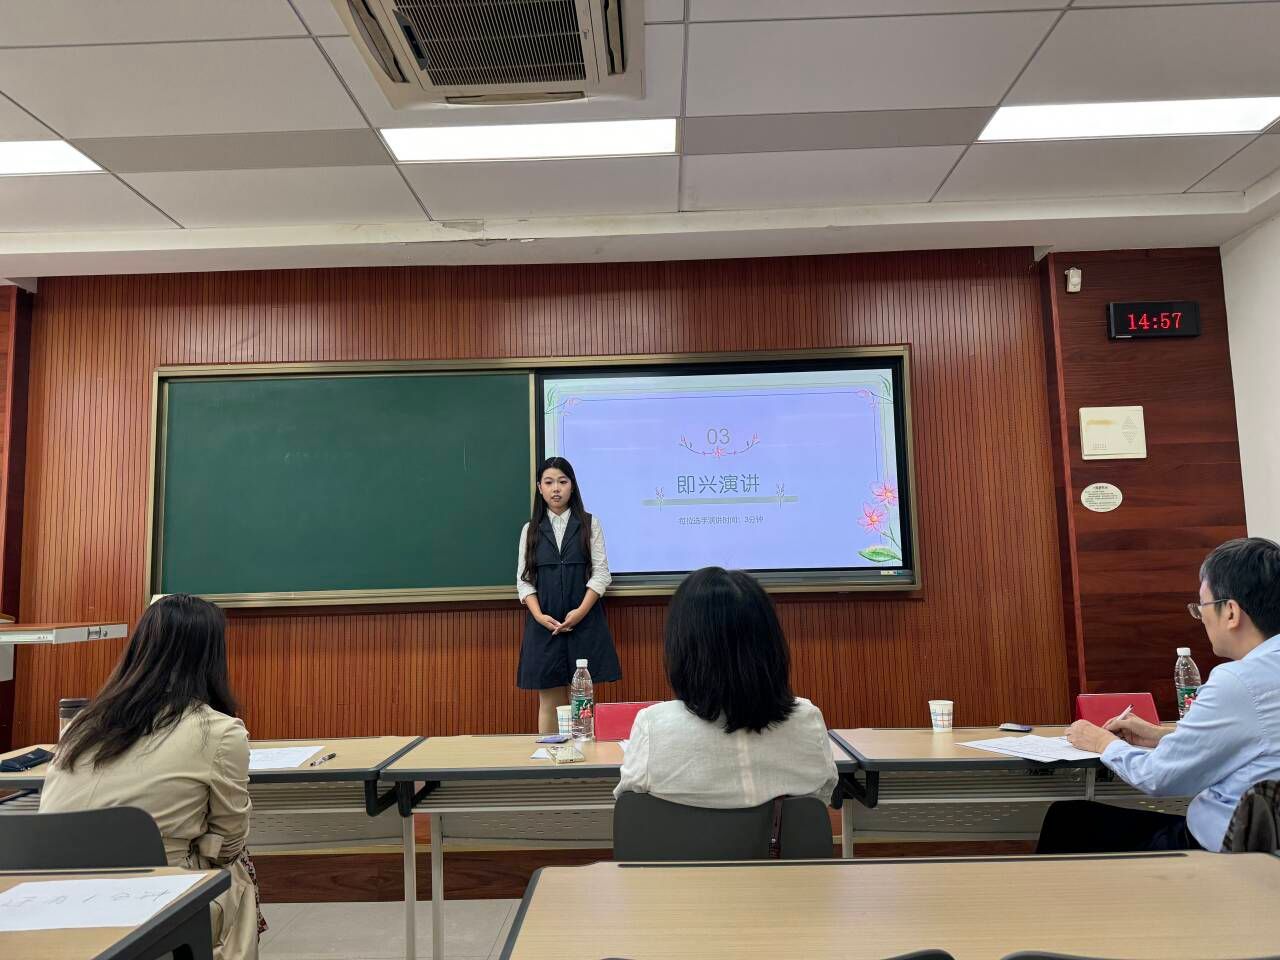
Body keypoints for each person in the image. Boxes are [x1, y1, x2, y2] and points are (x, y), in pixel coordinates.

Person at [41, 594, 259, 960]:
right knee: (240, 873)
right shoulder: (219, 731)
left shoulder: (80, 725)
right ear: (212, 657)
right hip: (156, 900)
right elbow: (229, 842)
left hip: (51, 897)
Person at [1039, 536, 1280, 853]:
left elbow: (1159, 778)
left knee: (1067, 820)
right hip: (1266, 849)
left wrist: (1101, 742)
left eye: (1202, 606)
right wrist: (1161, 736)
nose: (1201, 618)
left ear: (1231, 612)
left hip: (1226, 851)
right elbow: (1259, 741)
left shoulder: (1238, 681)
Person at [615, 566, 839, 807]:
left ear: (682, 647)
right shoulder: (807, 720)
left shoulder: (654, 726)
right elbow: (822, 799)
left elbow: (630, 808)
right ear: (770, 644)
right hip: (782, 834)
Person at [517, 456, 620, 733]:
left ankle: (584, 756)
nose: (556, 489)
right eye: (549, 482)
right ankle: (550, 759)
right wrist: (539, 616)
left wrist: (580, 613)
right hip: (545, 627)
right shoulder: (531, 529)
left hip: (583, 623)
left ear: (572, 486)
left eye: (562, 482)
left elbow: (601, 574)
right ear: (539, 487)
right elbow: (524, 581)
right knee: (549, 702)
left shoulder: (589, 524)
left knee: (582, 702)